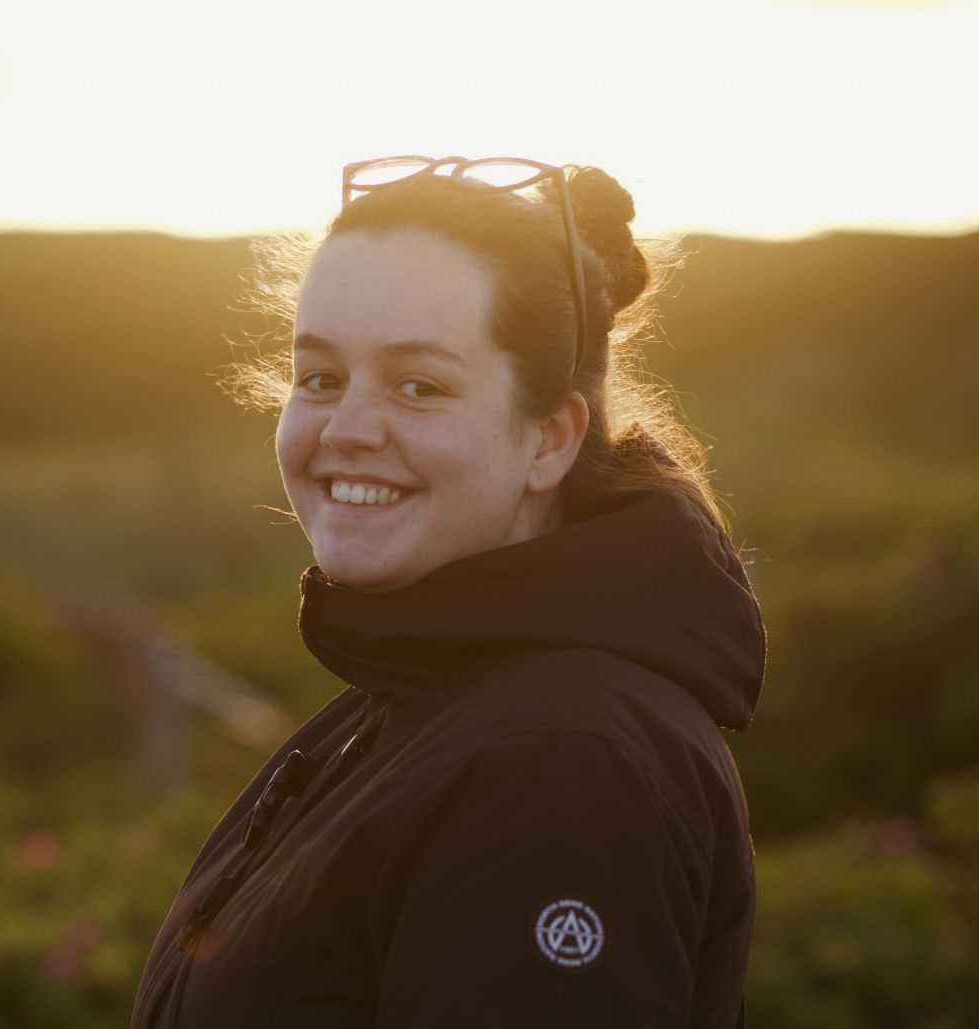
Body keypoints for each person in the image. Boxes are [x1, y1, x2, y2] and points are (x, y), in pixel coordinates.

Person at [130, 156, 767, 1028]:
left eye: (418, 385)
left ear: (549, 440)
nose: (347, 429)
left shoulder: (563, 761)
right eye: (319, 377)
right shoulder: (427, 689)